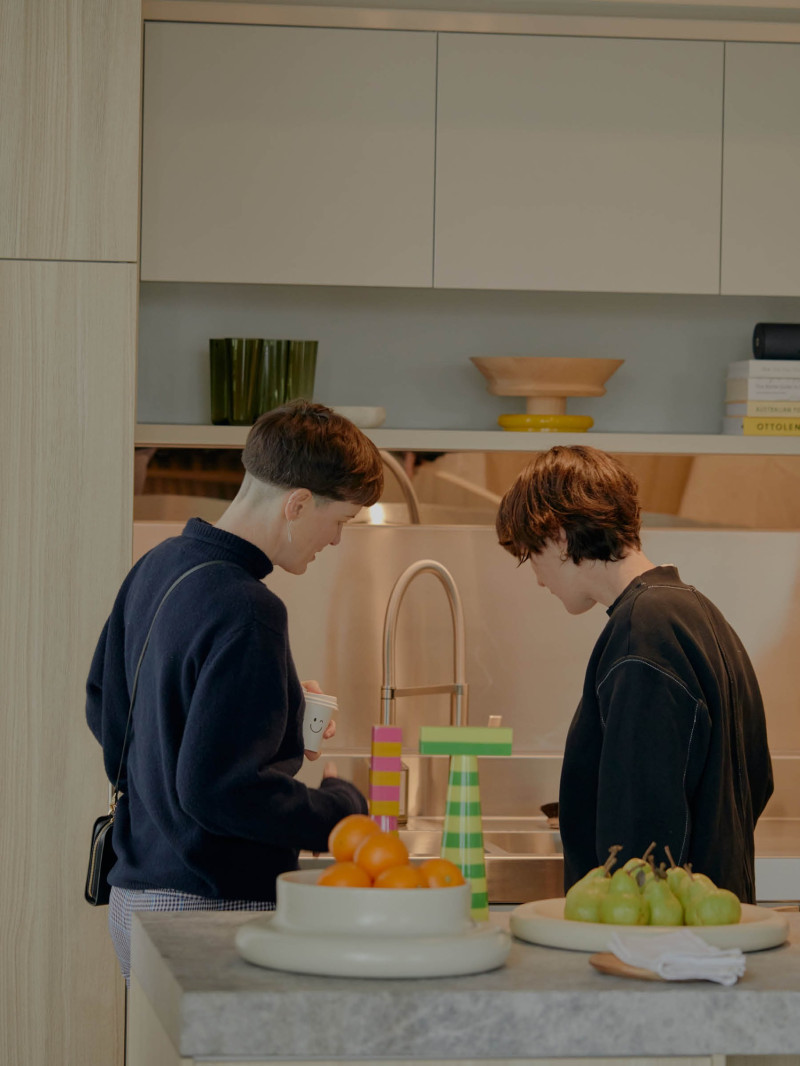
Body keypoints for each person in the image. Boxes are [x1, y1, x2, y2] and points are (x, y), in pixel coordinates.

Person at [86, 401, 383, 984]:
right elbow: (221, 792)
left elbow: (109, 708)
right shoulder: (250, 608)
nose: (335, 540)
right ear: (298, 504)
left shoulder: (158, 564)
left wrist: (278, 708)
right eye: (341, 521)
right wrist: (341, 810)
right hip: (210, 906)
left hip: (137, 896)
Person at [495, 445, 773, 903]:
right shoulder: (697, 612)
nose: (539, 580)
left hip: (659, 927)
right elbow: (757, 778)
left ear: (559, 536)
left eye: (530, 556)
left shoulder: (641, 633)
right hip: (710, 916)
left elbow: (640, 825)